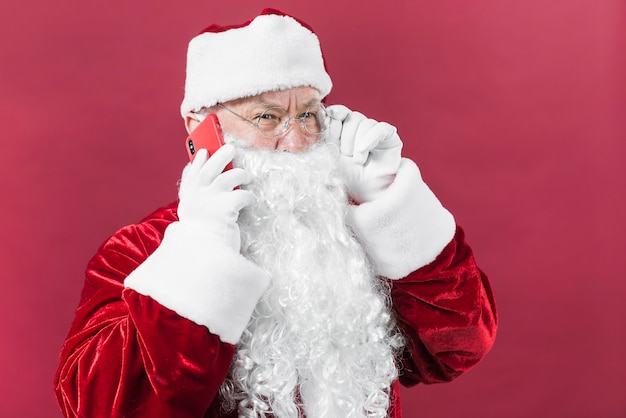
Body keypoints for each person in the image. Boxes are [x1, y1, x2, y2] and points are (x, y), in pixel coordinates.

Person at [54, 8, 497, 418]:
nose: (298, 141)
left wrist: (389, 202)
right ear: (199, 125)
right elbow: (95, 405)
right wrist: (202, 254)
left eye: (309, 115)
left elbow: (457, 349)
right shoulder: (142, 248)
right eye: (267, 118)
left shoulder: (349, 231)